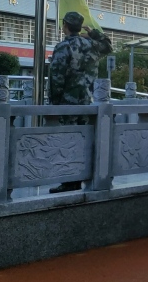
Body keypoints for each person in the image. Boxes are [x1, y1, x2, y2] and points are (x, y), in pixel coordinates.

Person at [48, 11, 113, 194]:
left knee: (68, 142)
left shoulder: (63, 47)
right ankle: (85, 177)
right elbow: (108, 46)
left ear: (65, 26)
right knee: (85, 140)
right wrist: (93, 33)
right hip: (88, 102)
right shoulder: (91, 45)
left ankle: (70, 182)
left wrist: (53, 103)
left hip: (68, 103)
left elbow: (57, 77)